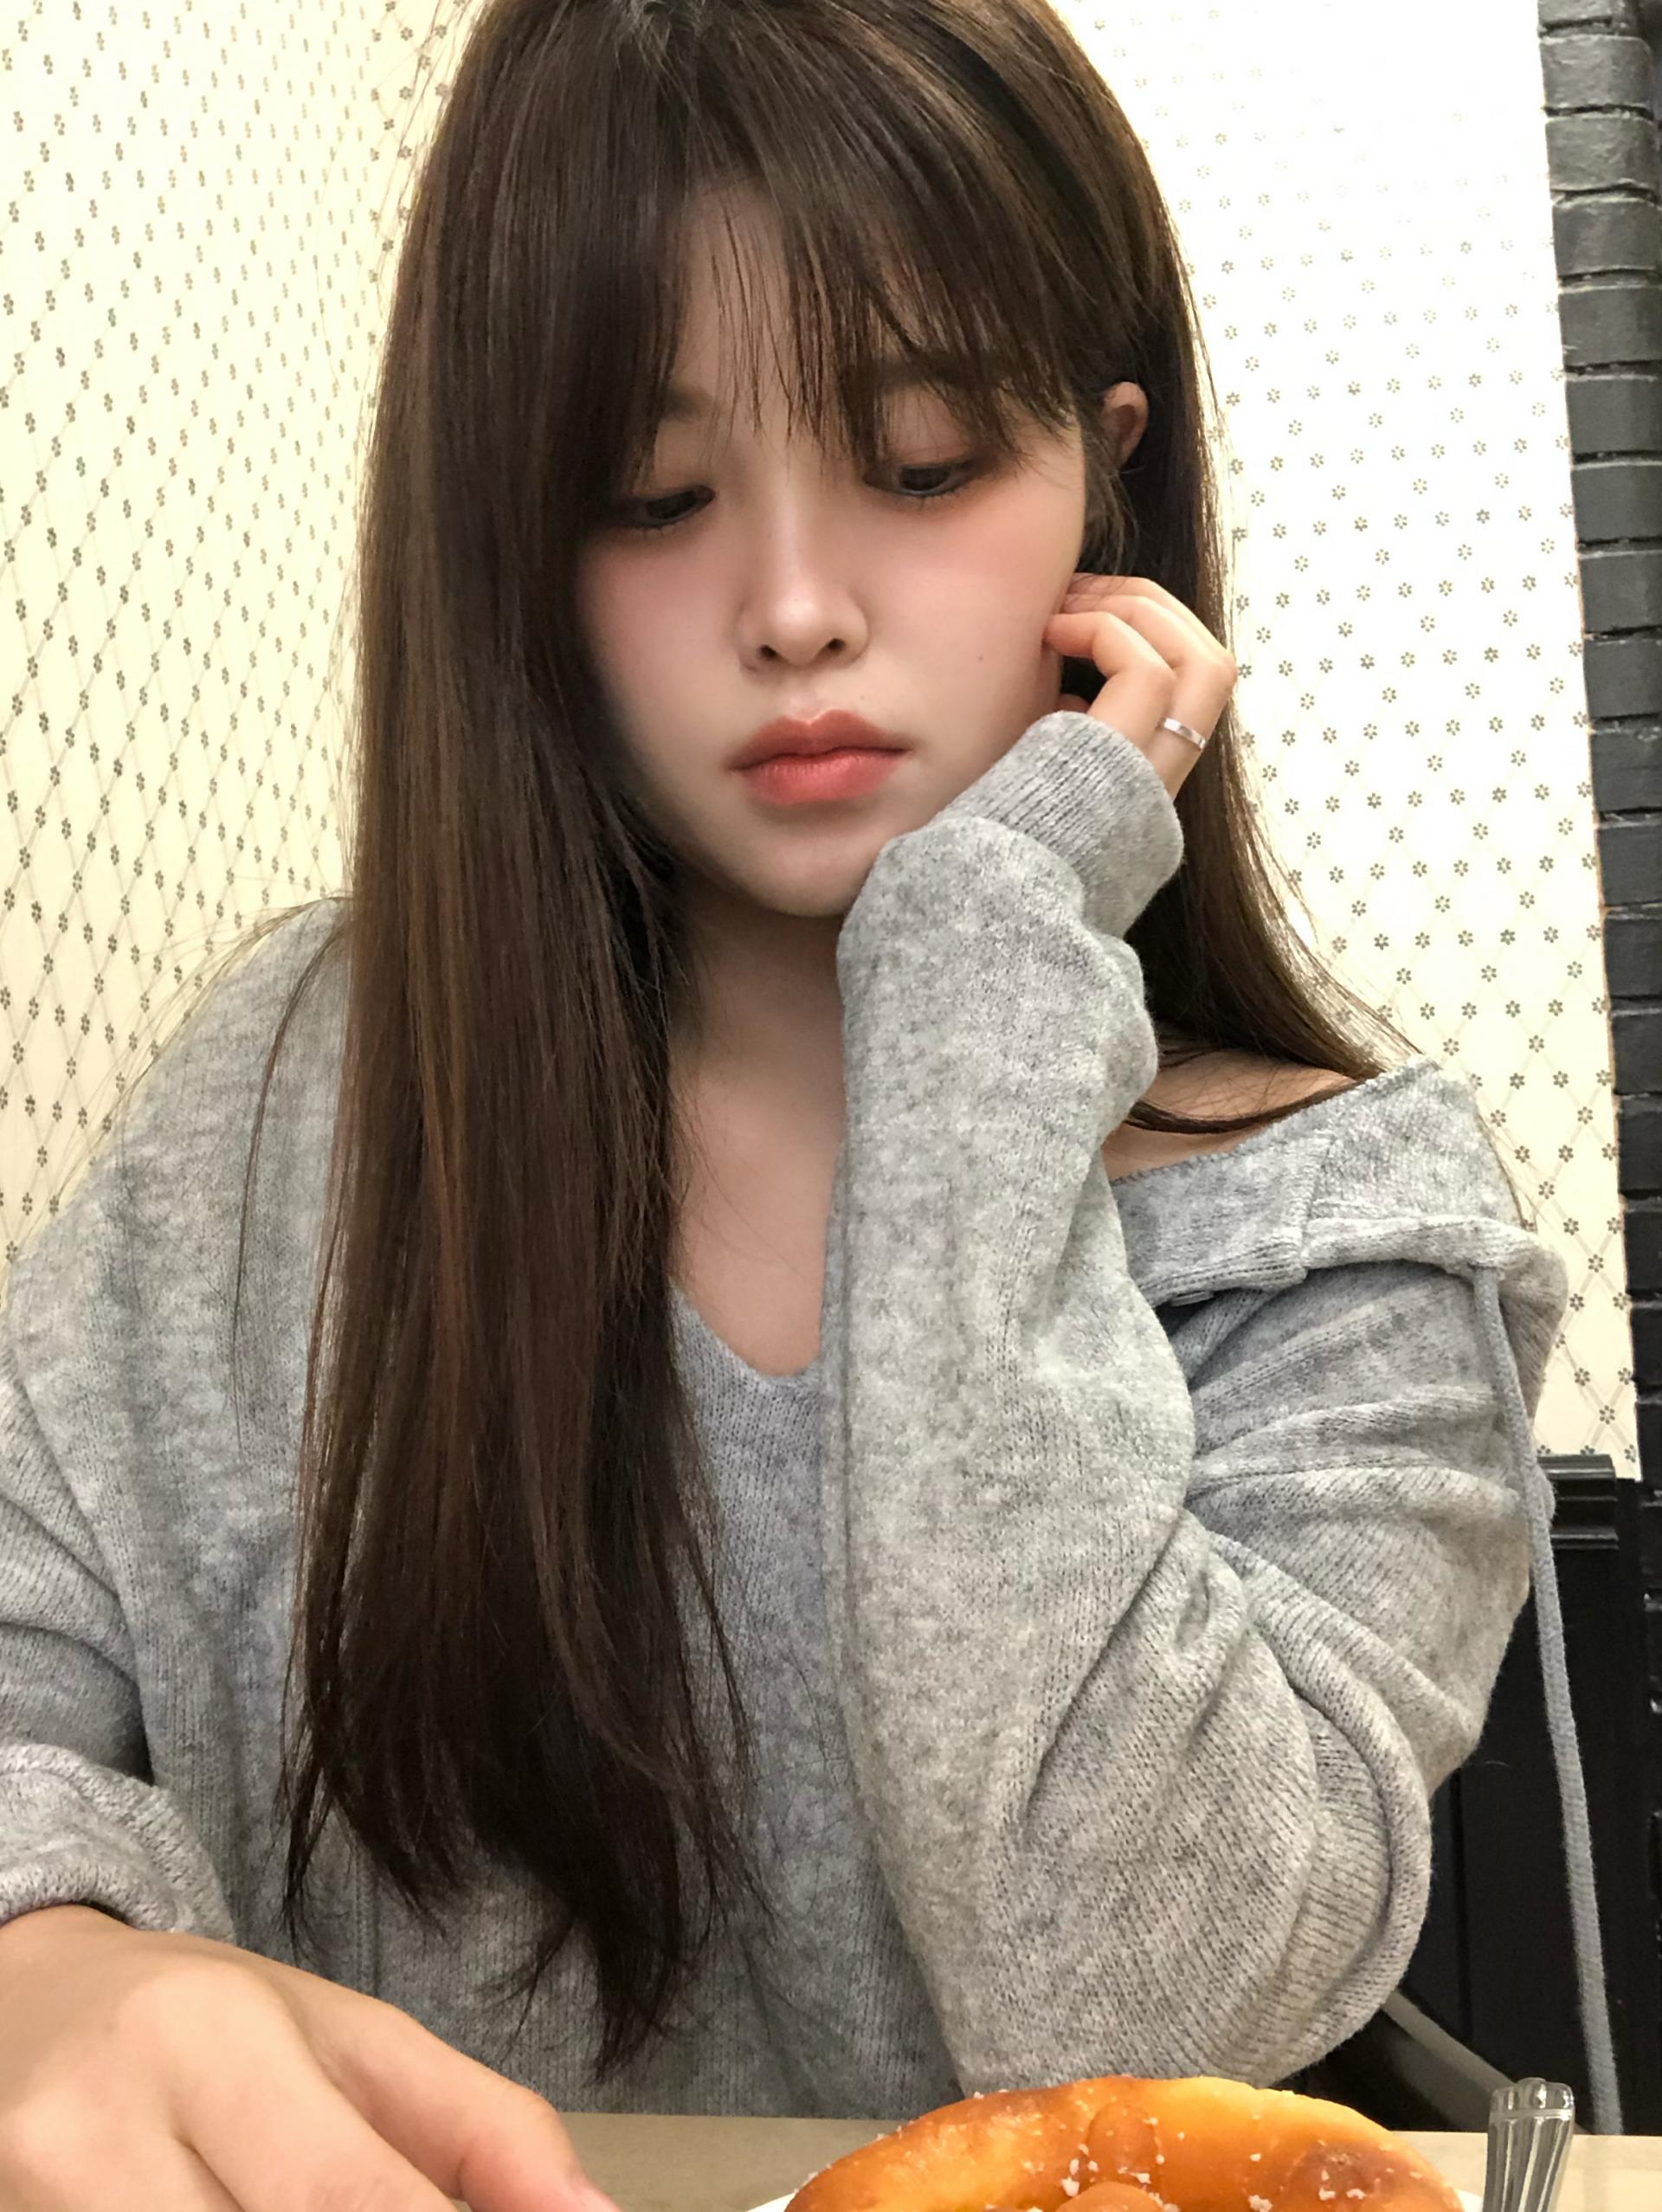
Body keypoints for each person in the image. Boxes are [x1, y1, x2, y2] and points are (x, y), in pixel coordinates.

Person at [0, 0, 1623, 2203]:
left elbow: (1123, 2008)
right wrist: (48, 1964)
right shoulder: (303, 1095)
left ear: (1103, 481)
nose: (790, 609)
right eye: (649, 496)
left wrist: (981, 962)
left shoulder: (1346, 1226)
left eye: (925, 461)